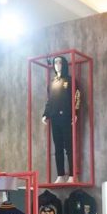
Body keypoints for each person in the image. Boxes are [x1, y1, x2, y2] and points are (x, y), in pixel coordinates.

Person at [42, 55, 80, 184]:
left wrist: (76, 112)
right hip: (55, 118)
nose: (57, 64)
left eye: (60, 62)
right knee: (57, 147)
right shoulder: (52, 83)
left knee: (69, 146)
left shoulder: (70, 80)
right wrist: (46, 114)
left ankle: (72, 174)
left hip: (66, 116)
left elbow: (77, 96)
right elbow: (49, 101)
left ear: (64, 64)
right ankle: (60, 174)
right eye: (55, 62)